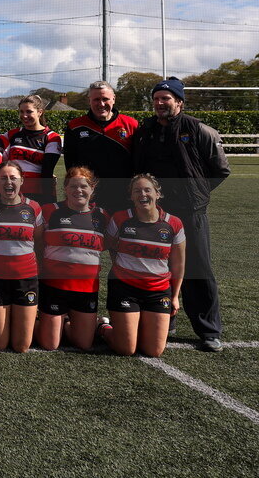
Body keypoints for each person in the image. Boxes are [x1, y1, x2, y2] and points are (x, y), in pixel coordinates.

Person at [132, 77, 230, 352]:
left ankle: (209, 331)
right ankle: (165, 318)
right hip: (156, 213)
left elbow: (220, 169)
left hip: (191, 211)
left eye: (166, 98)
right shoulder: (146, 131)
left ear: (179, 102)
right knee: (156, 266)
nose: (160, 103)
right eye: (156, 99)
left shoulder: (199, 130)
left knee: (198, 269)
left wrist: (197, 193)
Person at [98, 174, 185, 357]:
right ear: (131, 196)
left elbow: (178, 263)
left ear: (158, 194)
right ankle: (103, 326)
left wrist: (175, 296)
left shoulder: (173, 223)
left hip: (158, 291)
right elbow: (110, 245)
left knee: (154, 351)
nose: (142, 194)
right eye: (137, 191)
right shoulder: (120, 218)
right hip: (124, 288)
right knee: (126, 349)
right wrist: (120, 265)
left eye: (147, 190)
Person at [35, 167, 108, 351]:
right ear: (65, 188)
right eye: (73, 186)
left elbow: (110, 245)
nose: (78, 190)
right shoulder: (50, 211)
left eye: (84, 186)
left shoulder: (102, 216)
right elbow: (36, 243)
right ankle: (35, 321)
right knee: (50, 345)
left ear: (92, 189)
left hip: (86, 288)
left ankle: (97, 325)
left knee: (84, 344)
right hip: (53, 286)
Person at [0, 162, 44, 353]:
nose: (9, 182)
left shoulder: (34, 207)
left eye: (13, 178)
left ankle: (31, 320)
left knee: (21, 346)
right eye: (3, 178)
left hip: (26, 278)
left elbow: (39, 243)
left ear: (22, 180)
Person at [63, 80, 138, 214]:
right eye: (96, 99)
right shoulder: (74, 127)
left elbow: (139, 162)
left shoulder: (131, 125)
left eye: (105, 99)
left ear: (113, 99)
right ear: (89, 100)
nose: (101, 104)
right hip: (88, 196)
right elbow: (70, 166)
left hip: (123, 195)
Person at [2, 95, 62, 205]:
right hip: (14, 191)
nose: (24, 116)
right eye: (21, 111)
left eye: (29, 111)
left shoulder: (52, 137)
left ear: (40, 112)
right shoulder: (11, 134)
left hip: (39, 193)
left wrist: (47, 200)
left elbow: (47, 172)